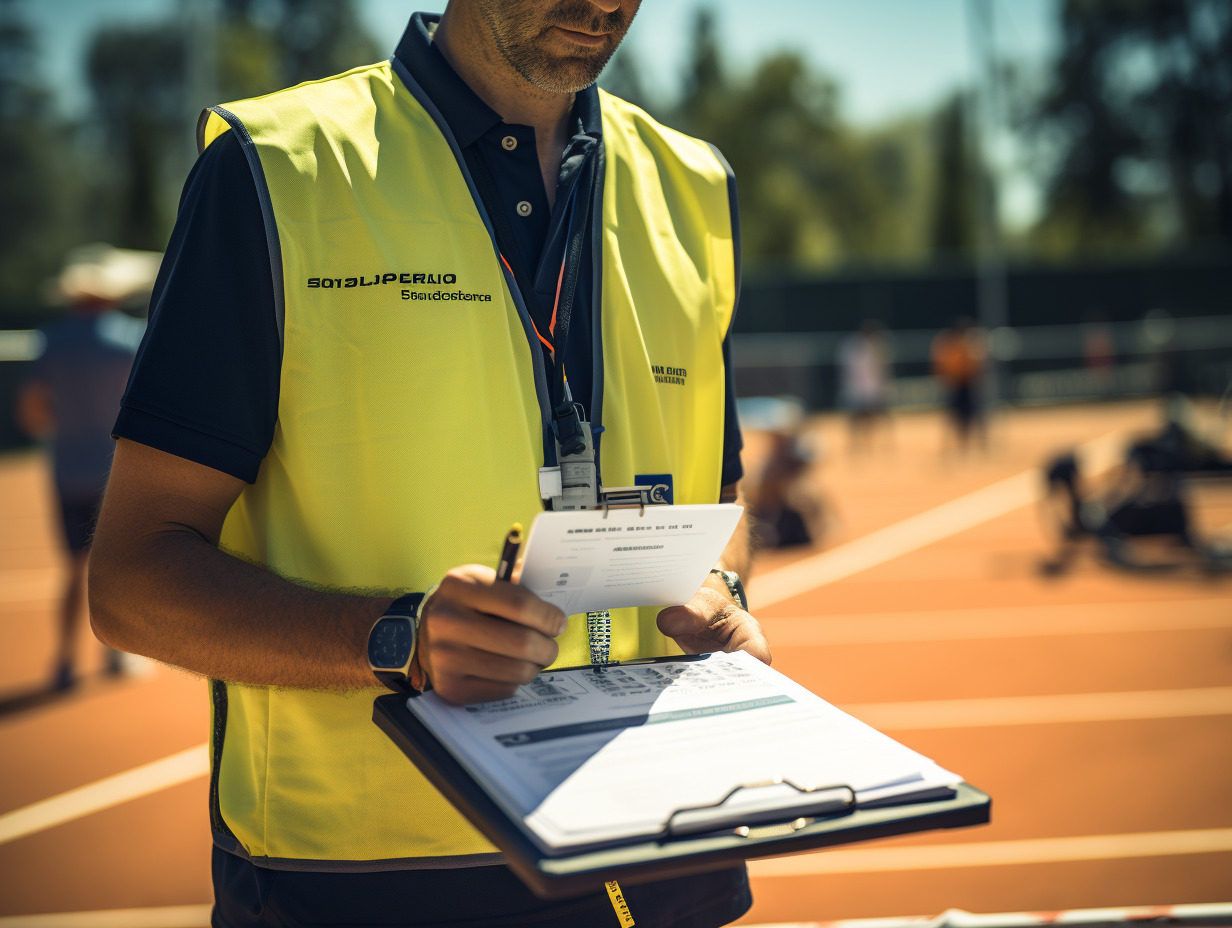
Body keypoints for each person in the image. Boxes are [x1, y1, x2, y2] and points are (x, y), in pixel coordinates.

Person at [88, 3, 769, 926]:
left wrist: (726, 594)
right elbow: (132, 577)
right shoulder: (278, 168)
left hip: (665, 849)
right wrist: (397, 641)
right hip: (373, 882)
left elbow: (716, 499)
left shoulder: (693, 184)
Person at [15, 247, 146, 690]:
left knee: (72, 567)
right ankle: (115, 655)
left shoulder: (52, 339)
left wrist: (59, 430)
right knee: (115, 568)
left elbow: (31, 408)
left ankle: (65, 661)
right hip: (116, 471)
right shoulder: (130, 338)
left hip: (66, 470)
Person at [931, 316, 987, 453]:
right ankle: (952, 445)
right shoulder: (948, 343)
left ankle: (977, 445)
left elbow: (977, 364)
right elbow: (941, 364)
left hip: (967, 384)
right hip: (955, 384)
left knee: (972, 415)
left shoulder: (969, 342)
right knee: (954, 416)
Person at [837, 319, 892, 455]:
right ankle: (856, 444)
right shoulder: (852, 346)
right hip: (857, 388)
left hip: (871, 388)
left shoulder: (874, 346)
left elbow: (880, 369)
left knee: (875, 417)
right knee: (857, 418)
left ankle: (875, 444)